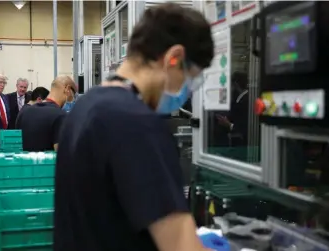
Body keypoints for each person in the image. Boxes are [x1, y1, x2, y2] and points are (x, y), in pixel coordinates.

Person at [54, 3, 214, 251]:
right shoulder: (139, 124)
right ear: (174, 58)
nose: (188, 91)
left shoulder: (84, 108)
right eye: (191, 78)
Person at [15, 76, 75, 151]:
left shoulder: (25, 112)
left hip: (24, 162)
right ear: (67, 89)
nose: (72, 99)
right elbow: (62, 153)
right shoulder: (60, 115)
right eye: (73, 94)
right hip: (47, 162)